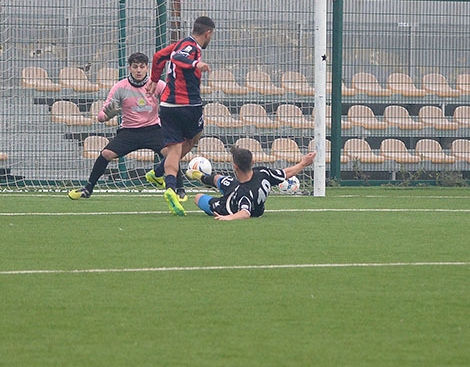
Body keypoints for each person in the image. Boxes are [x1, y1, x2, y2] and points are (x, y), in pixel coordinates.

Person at [67, 53, 173, 199]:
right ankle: (88, 188)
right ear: (129, 68)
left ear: (147, 68)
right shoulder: (120, 87)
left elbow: (172, 99)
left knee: (172, 154)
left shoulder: (157, 85)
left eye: (142, 67)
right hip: (129, 132)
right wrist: (107, 115)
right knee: (106, 154)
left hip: (153, 129)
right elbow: (101, 116)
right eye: (135, 67)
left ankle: (178, 190)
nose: (138, 70)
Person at [143, 15, 215, 215]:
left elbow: (159, 56)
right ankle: (160, 172)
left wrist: (154, 80)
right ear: (208, 33)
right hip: (188, 104)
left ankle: (168, 186)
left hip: (167, 104)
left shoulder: (179, 44)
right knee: (194, 137)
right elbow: (178, 58)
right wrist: (195, 65)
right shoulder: (191, 47)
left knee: (174, 150)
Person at [186, 145, 316, 220]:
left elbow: (245, 213)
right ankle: (202, 177)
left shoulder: (244, 193)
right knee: (219, 179)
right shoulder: (263, 172)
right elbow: (286, 173)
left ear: (235, 166)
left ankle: (201, 177)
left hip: (228, 205)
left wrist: (227, 217)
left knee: (198, 197)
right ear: (252, 162)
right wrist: (303, 163)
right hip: (236, 184)